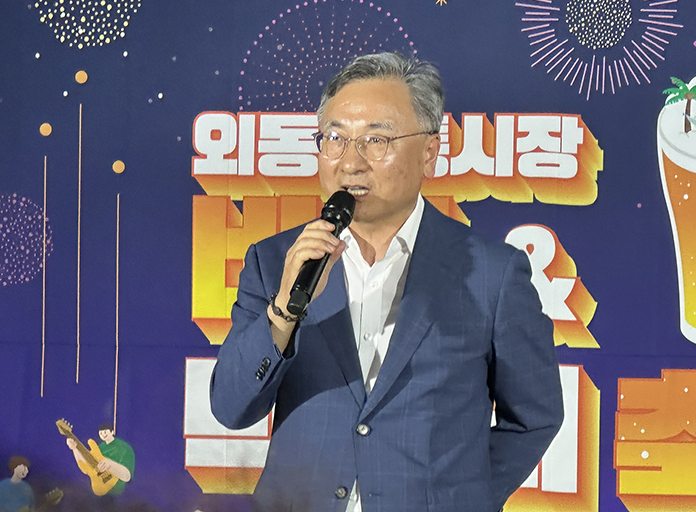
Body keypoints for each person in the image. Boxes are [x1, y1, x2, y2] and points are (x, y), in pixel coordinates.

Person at [210, 52, 563, 512]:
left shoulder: (492, 273)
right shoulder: (276, 261)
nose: (350, 162)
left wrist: (458, 498)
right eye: (335, 138)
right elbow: (231, 407)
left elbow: (534, 417)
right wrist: (284, 311)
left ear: (430, 152)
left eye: (376, 140)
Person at [65, 424, 134, 496]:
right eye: (101, 433)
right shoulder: (99, 448)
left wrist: (110, 464)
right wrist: (75, 449)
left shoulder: (123, 448)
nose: (103, 434)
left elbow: (127, 476)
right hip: (98, 492)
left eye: (105, 432)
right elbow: (85, 467)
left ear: (112, 432)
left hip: (119, 492)